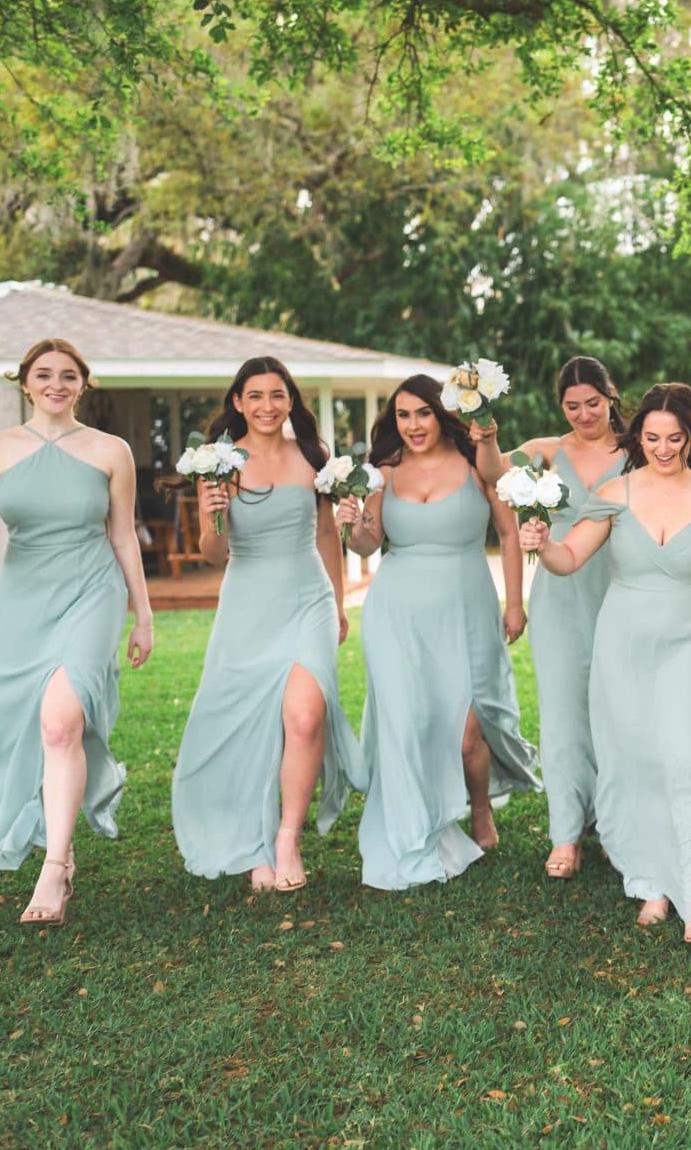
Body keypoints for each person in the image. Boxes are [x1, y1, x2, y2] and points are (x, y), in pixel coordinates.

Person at [525, 383, 691, 941]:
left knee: (690, 759)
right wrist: (541, 544)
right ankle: (651, 882)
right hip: (623, 649)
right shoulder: (615, 493)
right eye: (652, 437)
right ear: (637, 435)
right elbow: (569, 559)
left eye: (675, 438)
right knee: (639, 762)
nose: (663, 448)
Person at [0, 338, 153, 925]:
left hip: (91, 592)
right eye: (45, 374)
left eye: (68, 375)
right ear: (24, 382)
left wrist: (143, 613)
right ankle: (58, 839)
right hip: (19, 600)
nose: (57, 383)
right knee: (24, 728)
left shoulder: (112, 450)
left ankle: (54, 869)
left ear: (83, 383)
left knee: (61, 723)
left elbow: (123, 535)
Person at [172, 356, 366, 891]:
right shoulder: (219, 463)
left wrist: (340, 600)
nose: (266, 405)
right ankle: (252, 840)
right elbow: (214, 554)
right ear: (238, 402)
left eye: (276, 394)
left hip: (310, 597)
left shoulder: (313, 455)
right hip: (248, 601)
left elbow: (327, 534)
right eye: (254, 395)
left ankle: (287, 836)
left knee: (304, 716)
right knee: (250, 720)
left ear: (290, 400)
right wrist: (212, 509)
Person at [341, 374, 540, 889]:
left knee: (469, 729)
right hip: (396, 611)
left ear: (441, 413)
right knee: (408, 718)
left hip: (465, 603)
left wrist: (514, 602)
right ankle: (414, 823)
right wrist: (351, 524)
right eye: (403, 416)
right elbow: (368, 544)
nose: (412, 425)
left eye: (422, 413)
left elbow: (508, 531)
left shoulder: (477, 461)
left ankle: (479, 811)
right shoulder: (383, 470)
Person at [478, 356, 629, 880]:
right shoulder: (544, 453)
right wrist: (485, 434)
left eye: (593, 402)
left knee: (619, 714)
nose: (585, 414)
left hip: (622, 595)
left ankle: (615, 825)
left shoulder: (639, 453)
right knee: (563, 715)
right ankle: (566, 833)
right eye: (573, 406)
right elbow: (494, 473)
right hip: (560, 597)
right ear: (560, 407)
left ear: (611, 396)